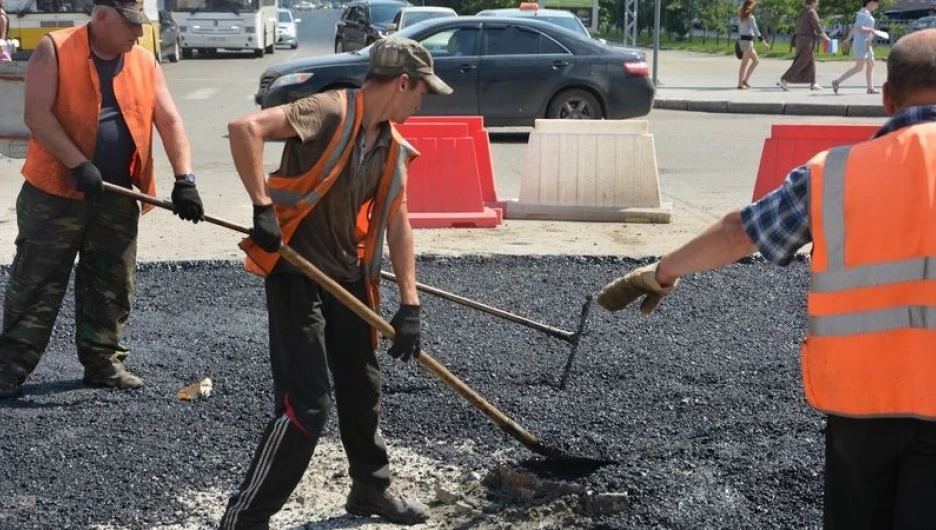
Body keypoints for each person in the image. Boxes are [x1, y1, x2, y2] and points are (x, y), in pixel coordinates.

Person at [597, 29, 936, 529]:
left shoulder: (836, 174)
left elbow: (740, 233)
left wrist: (661, 272)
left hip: (863, 404)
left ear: (886, 98)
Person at [220, 37, 452, 529]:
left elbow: (398, 220)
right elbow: (245, 129)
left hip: (346, 275)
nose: (421, 101)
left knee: (362, 384)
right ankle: (245, 516)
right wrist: (262, 207)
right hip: (296, 270)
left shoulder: (390, 143)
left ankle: (371, 489)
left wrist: (410, 305)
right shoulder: (328, 110)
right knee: (308, 404)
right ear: (403, 82)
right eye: (421, 92)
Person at [0, 0, 205, 399]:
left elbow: (169, 119)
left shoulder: (145, 61)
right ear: (102, 16)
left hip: (118, 192)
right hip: (55, 192)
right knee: (36, 280)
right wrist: (77, 163)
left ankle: (103, 361)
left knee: (112, 280)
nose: (136, 32)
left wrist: (186, 179)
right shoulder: (54, 48)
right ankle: (9, 367)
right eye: (129, 24)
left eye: (138, 24)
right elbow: (36, 115)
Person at [831, 0, 880, 94]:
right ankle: (837, 82)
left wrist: (848, 39)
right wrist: (871, 29)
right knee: (859, 67)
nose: (877, 6)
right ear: (871, 2)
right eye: (876, 3)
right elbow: (858, 27)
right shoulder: (863, 13)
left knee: (871, 63)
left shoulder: (866, 13)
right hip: (862, 42)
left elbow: (855, 28)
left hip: (866, 42)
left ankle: (870, 88)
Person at [780, 0, 831, 91]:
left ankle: (813, 82)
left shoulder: (803, 11)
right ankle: (785, 79)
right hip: (807, 41)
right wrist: (826, 38)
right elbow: (817, 27)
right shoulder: (811, 12)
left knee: (810, 61)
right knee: (801, 62)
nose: (818, 3)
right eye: (817, 1)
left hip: (800, 40)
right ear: (813, 2)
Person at [736, 0, 770, 89]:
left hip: (743, 40)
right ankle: (740, 84)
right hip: (748, 42)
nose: (754, 7)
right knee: (744, 63)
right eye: (754, 6)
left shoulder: (740, 16)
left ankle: (745, 81)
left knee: (756, 61)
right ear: (750, 7)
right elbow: (756, 30)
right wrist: (764, 42)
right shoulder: (750, 17)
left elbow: (740, 30)